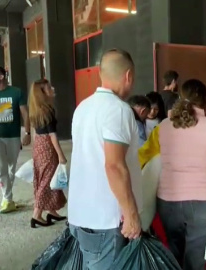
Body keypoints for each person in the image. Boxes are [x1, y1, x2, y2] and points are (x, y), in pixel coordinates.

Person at [68, 49, 142, 270]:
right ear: (128, 75)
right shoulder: (118, 110)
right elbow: (114, 166)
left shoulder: (82, 108)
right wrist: (130, 215)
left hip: (82, 216)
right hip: (106, 223)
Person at [149, 79, 206, 270]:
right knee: (196, 257)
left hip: (168, 201)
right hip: (202, 203)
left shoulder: (163, 127)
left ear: (181, 99)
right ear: (205, 101)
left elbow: (143, 157)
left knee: (172, 251)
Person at [28, 79, 67, 228]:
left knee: (44, 178)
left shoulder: (36, 109)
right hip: (47, 147)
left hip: (38, 145)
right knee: (47, 179)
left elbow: (35, 132)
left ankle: (52, 211)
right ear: (43, 93)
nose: (52, 88)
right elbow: (52, 136)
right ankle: (37, 214)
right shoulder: (48, 110)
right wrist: (61, 155)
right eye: (49, 87)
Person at [0, 66, 31, 214]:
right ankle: (6, 198)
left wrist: (28, 132)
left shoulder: (16, 92)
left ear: (1, 76)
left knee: (11, 167)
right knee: (1, 168)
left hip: (13, 136)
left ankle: (8, 199)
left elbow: (25, 113)